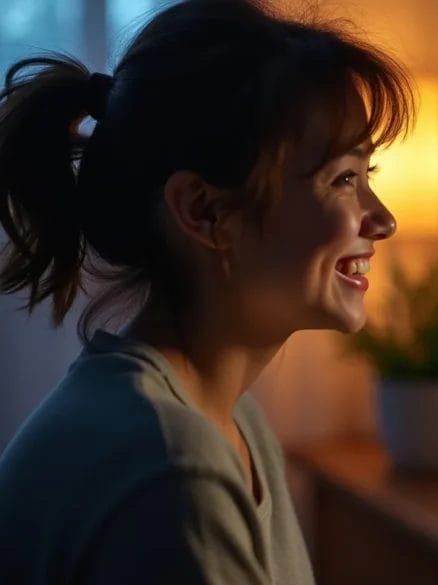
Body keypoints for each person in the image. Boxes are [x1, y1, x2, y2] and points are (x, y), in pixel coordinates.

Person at [0, 0, 413, 582]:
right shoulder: (172, 471)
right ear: (205, 211)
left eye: (368, 177)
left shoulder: (232, 422)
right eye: (343, 179)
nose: (383, 220)